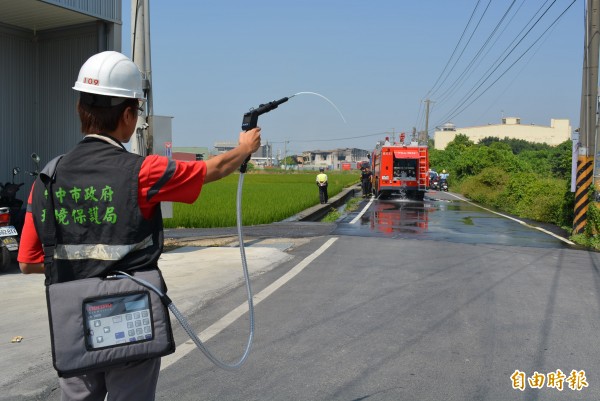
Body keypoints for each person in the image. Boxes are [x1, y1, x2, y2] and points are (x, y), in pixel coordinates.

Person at [17, 51, 261, 401]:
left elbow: (27, 261)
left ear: (79, 109)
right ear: (129, 115)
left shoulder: (47, 178)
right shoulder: (142, 172)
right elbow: (213, 169)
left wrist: (83, 269)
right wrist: (244, 148)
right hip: (129, 313)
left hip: (72, 317)